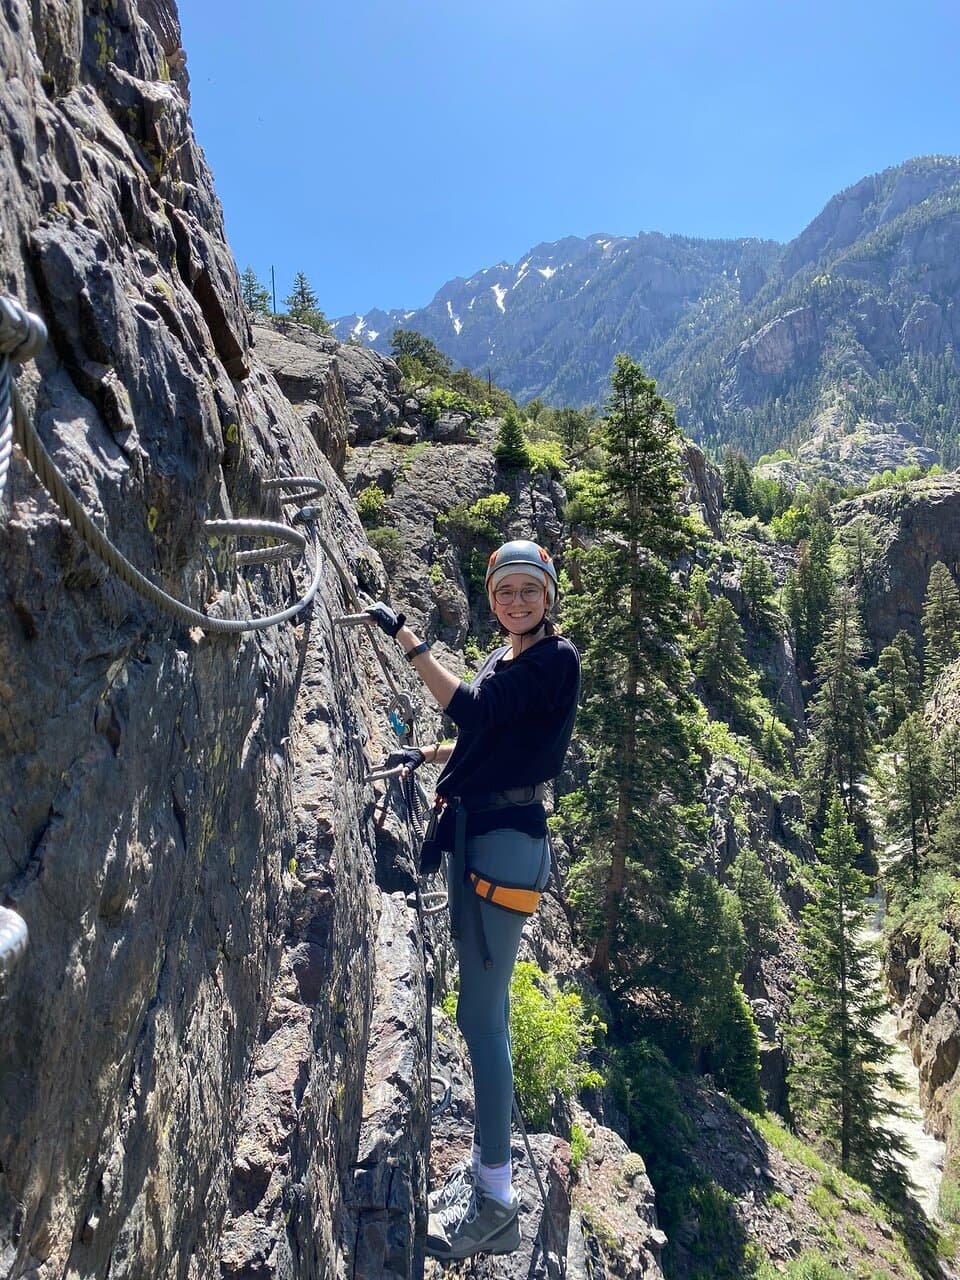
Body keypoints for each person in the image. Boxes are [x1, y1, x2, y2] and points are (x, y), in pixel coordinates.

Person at [365, 538, 580, 1261]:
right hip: (488, 839)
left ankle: (496, 1202)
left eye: (528, 591)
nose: (515, 602)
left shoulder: (555, 660)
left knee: (482, 1020)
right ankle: (492, 1176)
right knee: (483, 1014)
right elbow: (488, 736)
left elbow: (477, 710)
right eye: (504, 591)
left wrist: (408, 641)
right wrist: (426, 756)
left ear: (549, 595)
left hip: (503, 846)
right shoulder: (510, 657)